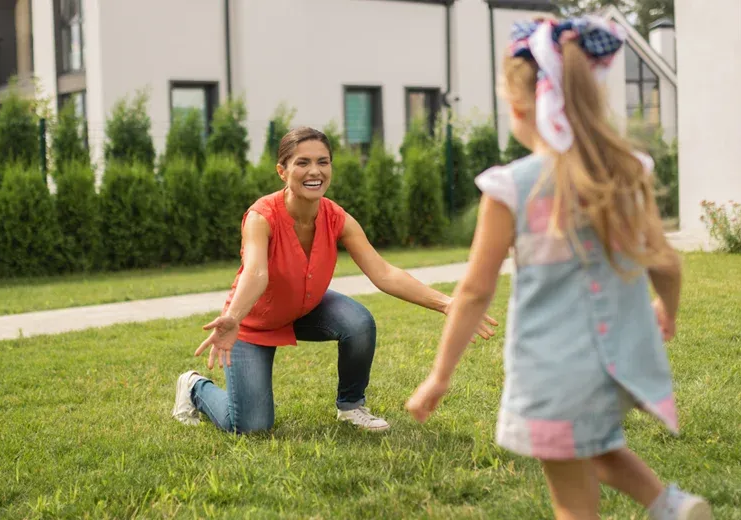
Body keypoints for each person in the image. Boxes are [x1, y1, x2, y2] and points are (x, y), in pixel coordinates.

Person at [403, 17, 710, 520]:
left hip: (552, 372)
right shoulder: (627, 174)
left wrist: (439, 376)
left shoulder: (510, 188)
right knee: (597, 445)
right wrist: (667, 309)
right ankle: (669, 505)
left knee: (571, 498)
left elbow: (476, 290)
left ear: (521, 108)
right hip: (617, 364)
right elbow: (666, 263)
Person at [171, 126, 498, 434]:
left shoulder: (336, 217)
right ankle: (195, 386)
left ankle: (351, 406)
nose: (315, 171)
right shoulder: (262, 217)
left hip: (305, 309)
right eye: (303, 163)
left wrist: (447, 304)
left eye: (322, 162)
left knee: (358, 322)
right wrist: (234, 317)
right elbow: (257, 273)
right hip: (251, 322)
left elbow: (383, 272)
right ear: (282, 171)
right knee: (250, 426)